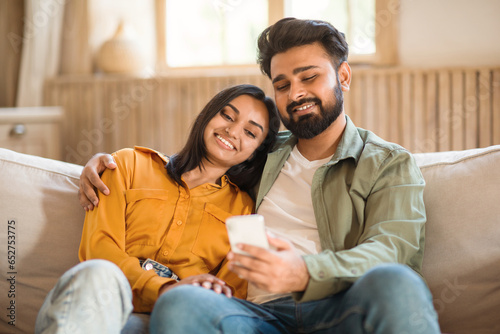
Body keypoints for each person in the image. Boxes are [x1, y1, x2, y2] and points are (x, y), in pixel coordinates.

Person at [79, 18, 441, 333]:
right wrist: (106, 162)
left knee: (396, 282)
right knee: (182, 303)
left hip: (339, 308)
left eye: (309, 77)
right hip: (253, 315)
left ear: (342, 76)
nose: (295, 93)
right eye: (282, 85)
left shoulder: (388, 163)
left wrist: (303, 273)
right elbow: (193, 169)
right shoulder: (260, 151)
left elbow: (393, 250)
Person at [34, 84, 281, 334]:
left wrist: (182, 299)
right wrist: (163, 288)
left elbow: (226, 296)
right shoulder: (126, 165)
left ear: (254, 152)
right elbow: (99, 249)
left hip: (162, 324)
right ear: (208, 115)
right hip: (94, 305)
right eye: (227, 116)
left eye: (250, 133)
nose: (232, 130)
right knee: (98, 272)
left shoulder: (243, 211)